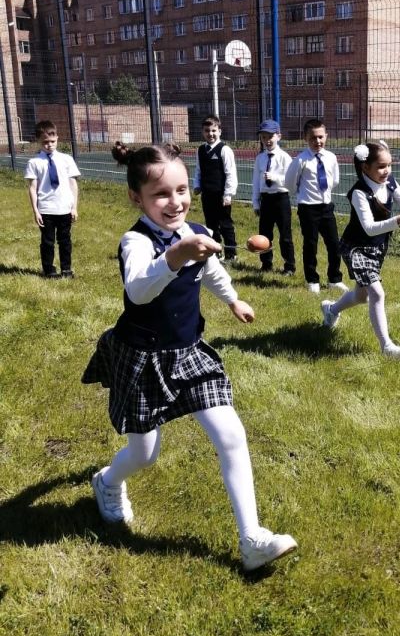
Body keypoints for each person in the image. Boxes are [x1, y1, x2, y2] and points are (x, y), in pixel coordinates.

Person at [82, 141, 297, 572]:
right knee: (145, 454)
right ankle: (107, 482)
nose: (175, 202)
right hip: (143, 358)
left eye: (181, 190)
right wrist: (174, 257)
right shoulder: (135, 241)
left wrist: (233, 299)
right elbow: (139, 289)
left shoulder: (192, 230)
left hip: (188, 353)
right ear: (136, 198)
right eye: (161, 194)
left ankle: (251, 538)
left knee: (231, 434)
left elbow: (211, 268)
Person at [320, 140, 400, 359]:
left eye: (389, 165)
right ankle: (387, 346)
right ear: (365, 167)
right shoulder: (358, 193)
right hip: (355, 248)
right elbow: (369, 228)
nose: (387, 170)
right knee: (377, 293)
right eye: (381, 166)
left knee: (361, 296)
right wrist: (396, 221)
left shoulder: (389, 182)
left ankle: (331, 310)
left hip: (376, 248)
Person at [286, 119, 348, 294]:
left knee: (334, 244)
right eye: (313, 138)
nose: (317, 141)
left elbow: (334, 180)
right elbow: (290, 183)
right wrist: (301, 195)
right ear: (306, 138)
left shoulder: (331, 158)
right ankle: (312, 279)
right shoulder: (301, 160)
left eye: (320, 137)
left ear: (326, 136)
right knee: (311, 244)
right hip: (308, 208)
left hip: (326, 207)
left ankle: (334, 279)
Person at [25, 119, 81, 279]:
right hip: (45, 209)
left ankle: (66, 269)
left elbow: (73, 184)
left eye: (52, 141)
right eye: (45, 142)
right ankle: (49, 270)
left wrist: (74, 207)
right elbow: (33, 188)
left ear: (57, 138)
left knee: (65, 241)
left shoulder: (66, 159)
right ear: (38, 141)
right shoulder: (34, 162)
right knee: (48, 242)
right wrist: (36, 211)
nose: (49, 145)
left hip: (64, 208)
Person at [251, 119, 296, 276]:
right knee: (264, 234)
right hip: (266, 199)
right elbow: (256, 181)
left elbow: (291, 181)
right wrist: (255, 202)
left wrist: (275, 177)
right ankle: (266, 263)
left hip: (281, 198)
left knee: (285, 235)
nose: (267, 140)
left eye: (270, 136)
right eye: (263, 137)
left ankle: (289, 266)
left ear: (279, 136)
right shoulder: (260, 158)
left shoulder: (285, 157)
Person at [192, 115, 238, 261]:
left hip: (221, 195)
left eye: (213, 130)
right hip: (207, 194)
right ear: (202, 132)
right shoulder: (200, 150)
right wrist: (197, 185)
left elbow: (230, 173)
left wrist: (228, 194)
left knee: (225, 224)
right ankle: (215, 252)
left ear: (219, 131)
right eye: (207, 131)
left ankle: (231, 254)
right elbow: (198, 170)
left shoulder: (224, 150)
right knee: (211, 225)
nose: (210, 134)